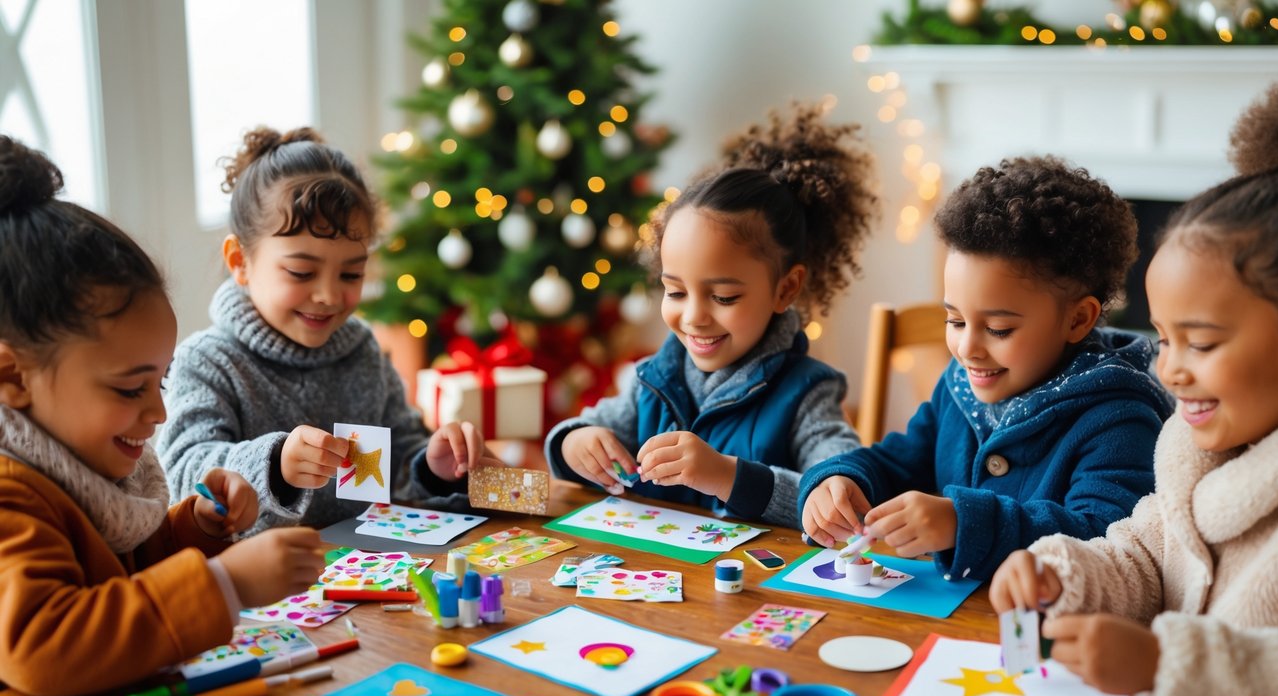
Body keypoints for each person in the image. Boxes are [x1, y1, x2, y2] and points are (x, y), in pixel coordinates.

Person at [990, 69, 1278, 696]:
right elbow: (1145, 555)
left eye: (1200, 344)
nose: (1167, 369)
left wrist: (1160, 663)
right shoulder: (1195, 450)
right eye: (1163, 340)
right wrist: (1060, 571)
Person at [0, 136, 324, 696]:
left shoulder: (80, 457)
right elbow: (44, 645)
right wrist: (226, 584)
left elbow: (126, 571)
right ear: (11, 378)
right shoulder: (12, 493)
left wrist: (195, 526)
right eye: (131, 388)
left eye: (161, 380)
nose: (158, 411)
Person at [801, 156, 1174, 581]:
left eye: (998, 329)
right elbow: (898, 461)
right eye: (955, 321)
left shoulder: (1120, 419)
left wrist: (963, 523)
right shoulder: (960, 386)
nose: (966, 349)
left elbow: (1103, 541)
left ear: (1077, 320)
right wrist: (840, 480)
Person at [544, 104, 875, 529]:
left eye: (723, 297)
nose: (694, 317)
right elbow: (588, 433)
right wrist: (575, 444)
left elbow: (837, 490)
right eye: (676, 291)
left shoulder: (807, 391)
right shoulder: (654, 378)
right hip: (648, 583)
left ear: (786, 288)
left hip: (749, 592)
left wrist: (727, 476)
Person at [158, 127, 499, 534]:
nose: (328, 296)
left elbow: (398, 456)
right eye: (302, 272)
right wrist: (276, 465)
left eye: (351, 273)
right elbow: (183, 478)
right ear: (239, 262)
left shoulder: (361, 351)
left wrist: (431, 465)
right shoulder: (207, 361)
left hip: (366, 574)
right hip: (260, 583)